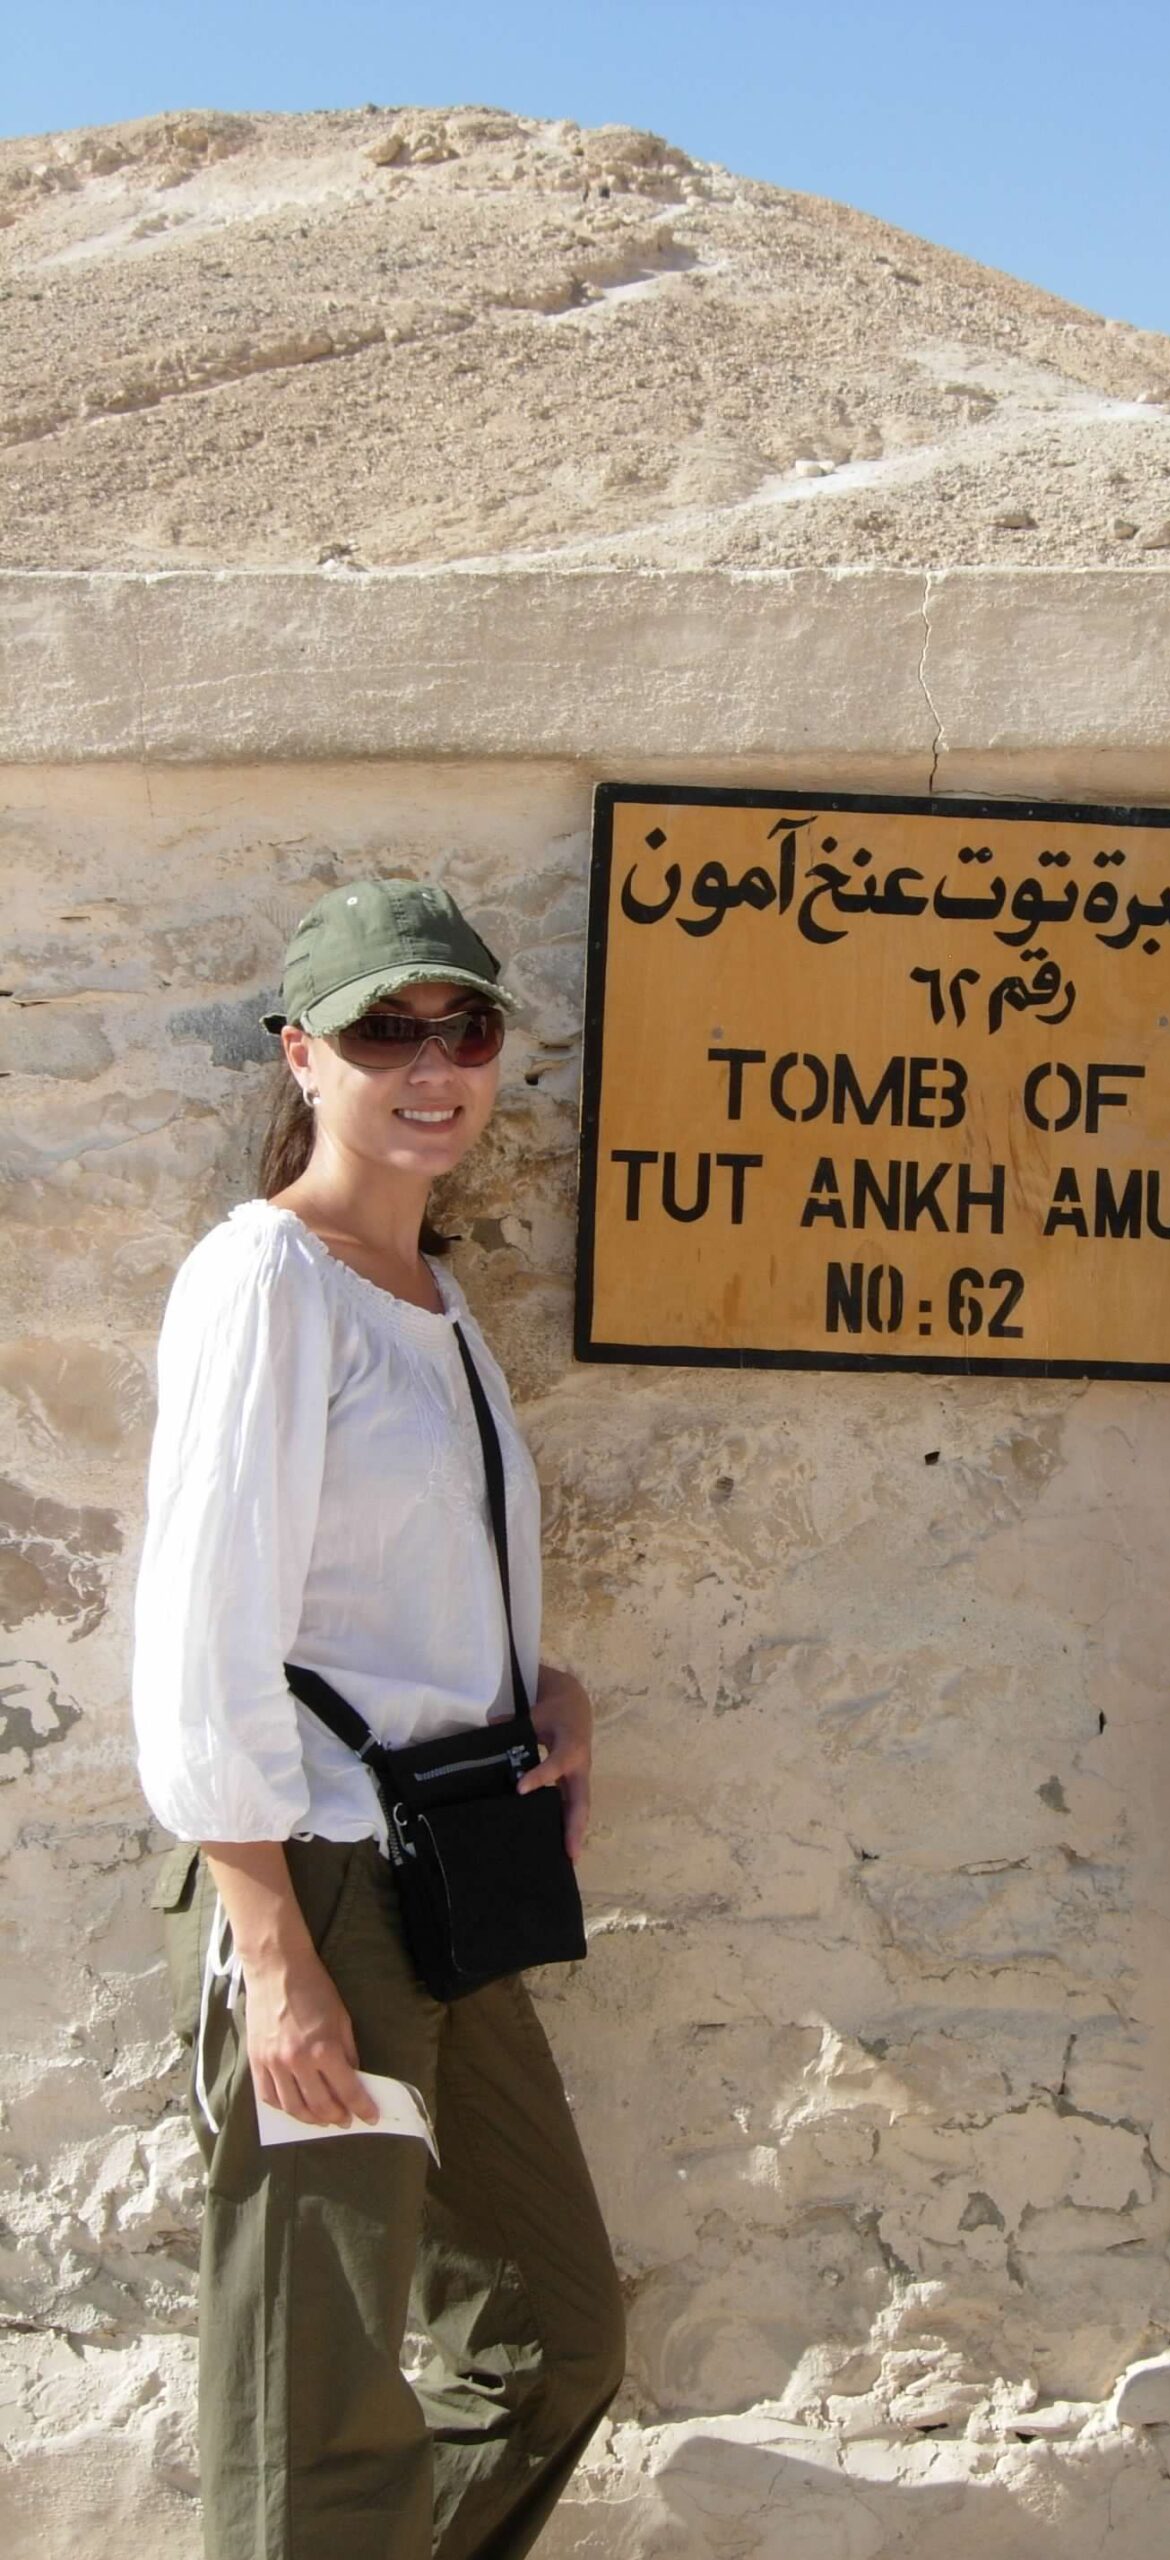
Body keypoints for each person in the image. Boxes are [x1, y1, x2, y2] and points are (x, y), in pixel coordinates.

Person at [134, 879, 626, 2560]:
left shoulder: (428, 1297)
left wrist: (536, 1687)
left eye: (466, 1029)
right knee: (318, 2403)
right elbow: (205, 1625)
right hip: (325, 1887)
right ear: (304, 1054)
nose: (435, 1066)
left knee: (555, 2349)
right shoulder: (267, 1274)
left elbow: (393, 1586)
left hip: (448, 1872)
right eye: (385, 1032)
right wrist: (272, 1948)